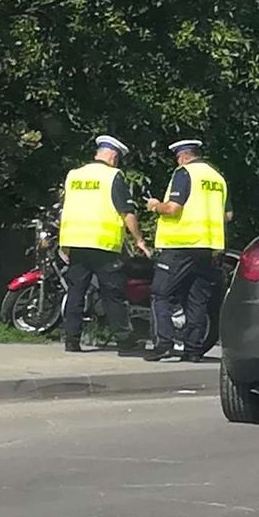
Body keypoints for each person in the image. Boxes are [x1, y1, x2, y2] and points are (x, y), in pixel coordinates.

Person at [58, 135, 149, 353]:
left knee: (76, 292)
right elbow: (126, 212)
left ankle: (71, 340)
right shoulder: (112, 176)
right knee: (113, 295)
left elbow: (66, 207)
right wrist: (139, 240)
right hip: (103, 246)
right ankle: (124, 340)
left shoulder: (74, 175)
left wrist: (64, 244)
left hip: (76, 242)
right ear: (113, 156)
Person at [144, 139, 232, 363]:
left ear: (182, 156)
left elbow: (173, 208)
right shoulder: (217, 177)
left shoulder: (184, 173)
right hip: (208, 247)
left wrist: (155, 205)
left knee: (160, 293)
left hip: (180, 245)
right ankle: (193, 350)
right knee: (196, 299)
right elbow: (228, 215)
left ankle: (163, 344)